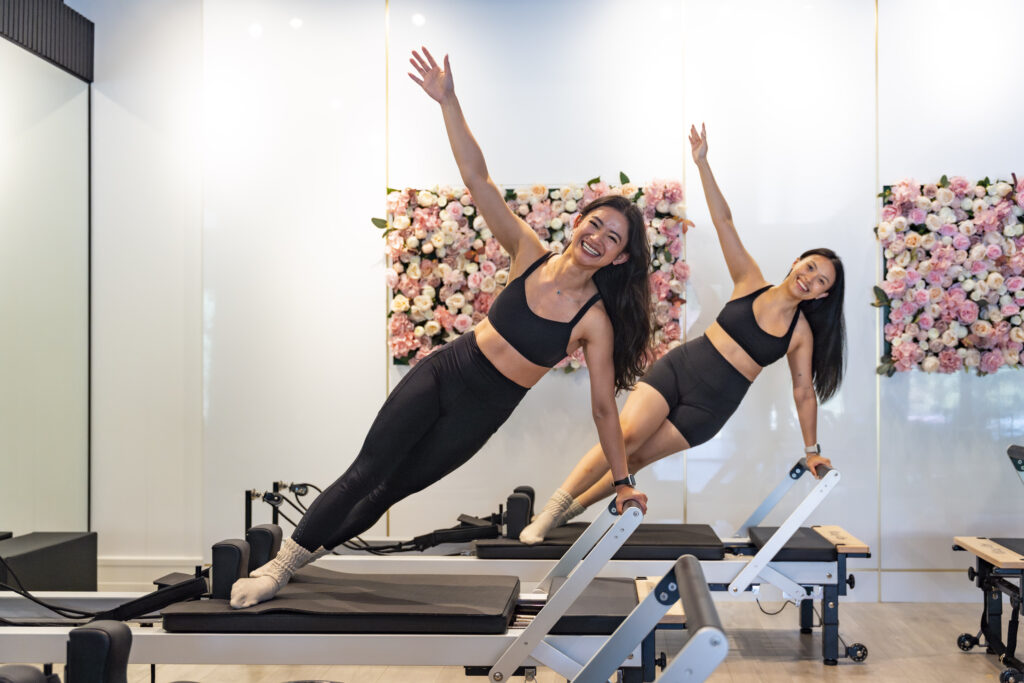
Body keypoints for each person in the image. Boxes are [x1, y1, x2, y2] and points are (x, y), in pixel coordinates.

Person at [230, 47, 652, 608]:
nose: (597, 236)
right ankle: (282, 566)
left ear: (621, 258)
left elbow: (604, 408)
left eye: (613, 237)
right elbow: (477, 179)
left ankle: (301, 554)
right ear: (578, 224)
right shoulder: (528, 251)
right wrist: (449, 102)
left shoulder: (594, 322)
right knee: (367, 472)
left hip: (485, 409)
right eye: (595, 223)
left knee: (392, 489)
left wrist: (621, 483)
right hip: (447, 371)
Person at [520, 123, 847, 544]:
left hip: (712, 405)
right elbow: (724, 220)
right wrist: (702, 162)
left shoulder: (800, 332)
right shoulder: (750, 281)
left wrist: (811, 449)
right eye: (810, 268)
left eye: (821, 281)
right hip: (681, 369)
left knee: (637, 457)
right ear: (797, 261)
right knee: (626, 437)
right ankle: (550, 512)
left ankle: (570, 514)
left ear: (822, 295)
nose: (810, 279)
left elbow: (804, 392)